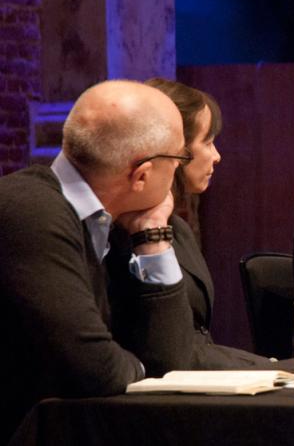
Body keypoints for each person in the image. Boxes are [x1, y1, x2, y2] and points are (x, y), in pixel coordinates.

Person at [0, 80, 195, 441]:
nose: (178, 173)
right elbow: (91, 369)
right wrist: (143, 367)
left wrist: (152, 235)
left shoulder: (115, 223)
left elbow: (171, 361)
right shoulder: (30, 211)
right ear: (142, 175)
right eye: (179, 159)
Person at [106, 78, 274, 368]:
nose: (217, 156)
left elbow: (199, 338)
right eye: (207, 142)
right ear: (175, 149)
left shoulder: (179, 228)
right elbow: (160, 350)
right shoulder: (119, 234)